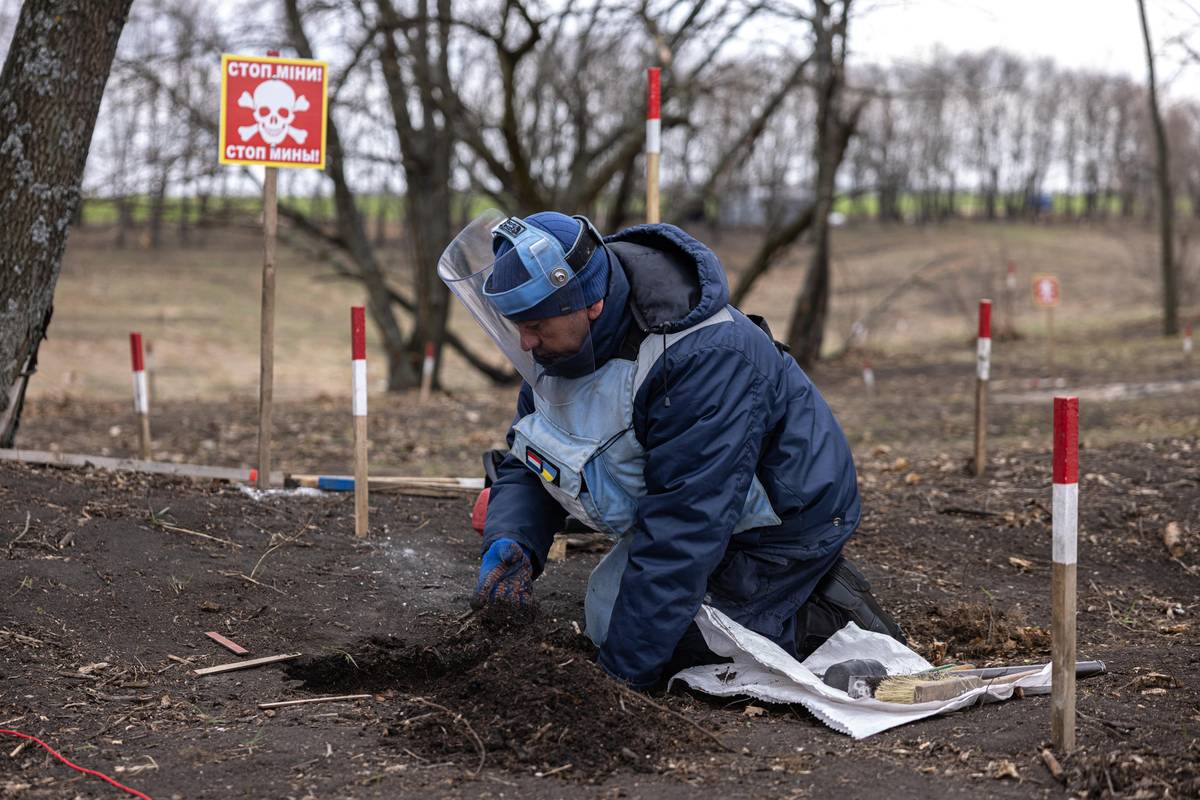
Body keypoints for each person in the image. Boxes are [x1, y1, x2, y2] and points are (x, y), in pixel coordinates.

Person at [438, 211, 905, 690]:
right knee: (608, 615)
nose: (525, 342)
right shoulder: (556, 345)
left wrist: (617, 685)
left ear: (591, 304)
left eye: (536, 325)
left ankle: (825, 611)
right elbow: (532, 453)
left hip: (781, 521)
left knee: (660, 647)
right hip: (695, 504)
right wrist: (513, 538)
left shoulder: (702, 356)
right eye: (516, 325)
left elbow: (684, 527)